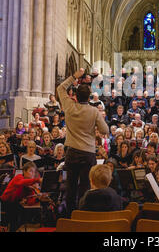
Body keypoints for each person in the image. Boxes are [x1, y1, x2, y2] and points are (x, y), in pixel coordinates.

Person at [57, 68, 109, 215]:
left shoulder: (69, 106)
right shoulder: (94, 111)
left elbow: (60, 88)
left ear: (75, 96)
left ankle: (70, 217)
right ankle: (83, 216)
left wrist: (75, 76)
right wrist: (95, 127)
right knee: (85, 187)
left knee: (71, 187)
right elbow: (105, 130)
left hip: (72, 152)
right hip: (88, 153)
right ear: (89, 97)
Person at [0, 162, 42, 232]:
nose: (33, 174)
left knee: (24, 212)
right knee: (17, 211)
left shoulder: (29, 186)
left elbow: (29, 202)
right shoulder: (19, 177)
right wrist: (37, 180)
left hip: (14, 204)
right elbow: (22, 182)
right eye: (30, 171)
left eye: (34, 172)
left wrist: (38, 198)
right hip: (4, 202)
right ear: (24, 171)